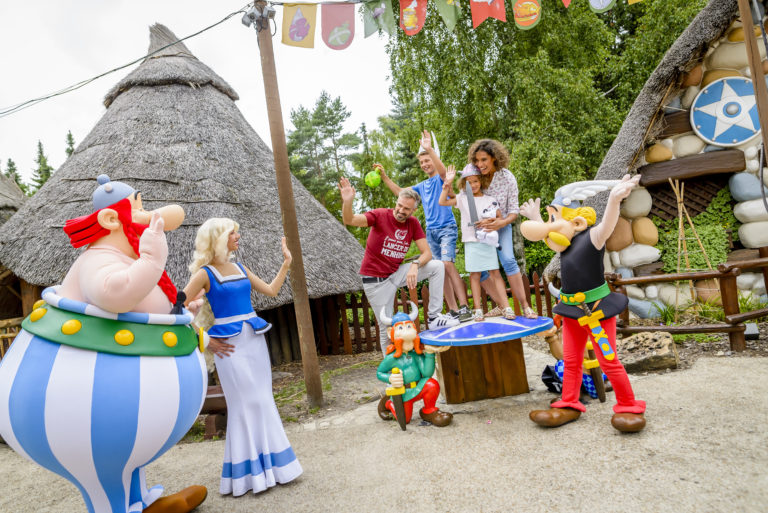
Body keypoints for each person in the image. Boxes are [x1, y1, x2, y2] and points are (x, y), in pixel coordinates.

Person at [0, 174, 208, 513]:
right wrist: (153, 261)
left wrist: (180, 307)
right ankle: (112, 507)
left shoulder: (127, 257)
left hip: (132, 390)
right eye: (137, 207)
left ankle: (139, 500)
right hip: (71, 395)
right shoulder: (98, 259)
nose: (144, 214)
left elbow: (149, 294)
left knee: (127, 457)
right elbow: (114, 295)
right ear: (111, 219)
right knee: (106, 461)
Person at [183, 218, 302, 496]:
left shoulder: (239, 267)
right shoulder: (204, 274)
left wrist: (286, 263)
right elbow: (177, 308)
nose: (238, 235)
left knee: (263, 400)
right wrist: (205, 340)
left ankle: (276, 469)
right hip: (230, 348)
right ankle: (249, 476)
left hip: (254, 341)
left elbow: (271, 290)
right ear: (219, 238)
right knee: (244, 404)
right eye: (233, 232)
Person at [520, 174, 646, 432]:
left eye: (554, 219)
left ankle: (628, 405)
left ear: (576, 222)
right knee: (571, 358)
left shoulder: (593, 238)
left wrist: (613, 199)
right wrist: (536, 219)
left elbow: (608, 223)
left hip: (596, 311)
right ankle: (569, 403)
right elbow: (548, 234)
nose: (549, 225)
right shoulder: (563, 247)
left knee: (608, 359)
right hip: (571, 311)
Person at [338, 176, 459, 355]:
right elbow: (349, 219)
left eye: (406, 209)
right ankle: (390, 368)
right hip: (376, 281)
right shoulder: (379, 215)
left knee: (437, 266)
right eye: (399, 206)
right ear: (396, 202)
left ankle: (434, 317)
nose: (401, 211)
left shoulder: (413, 223)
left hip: (395, 274)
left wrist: (415, 264)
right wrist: (347, 202)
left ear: (414, 210)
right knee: (386, 325)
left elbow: (427, 253)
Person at [377, 130, 472, 322]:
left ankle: (464, 307)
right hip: (431, 232)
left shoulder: (441, 179)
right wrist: (386, 178)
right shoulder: (422, 185)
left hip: (446, 228)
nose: (424, 164)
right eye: (422, 162)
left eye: (427, 160)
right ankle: (453, 309)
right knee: (439, 267)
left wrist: (429, 149)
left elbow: (444, 172)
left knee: (448, 264)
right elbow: (401, 193)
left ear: (434, 158)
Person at [468, 138, 537, 319]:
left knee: (508, 260)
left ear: (494, 158)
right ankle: (501, 305)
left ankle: (525, 306)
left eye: (484, 160)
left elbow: (513, 210)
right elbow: (465, 198)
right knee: (480, 269)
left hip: (502, 226)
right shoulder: (475, 178)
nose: (480, 164)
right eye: (477, 160)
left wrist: (502, 223)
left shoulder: (507, 177)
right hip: (481, 230)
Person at [439, 164, 515, 321]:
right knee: (474, 275)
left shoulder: (490, 200)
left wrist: (491, 221)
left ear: (481, 181)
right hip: (471, 242)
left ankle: (506, 307)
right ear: (464, 184)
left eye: (475, 181)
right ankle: (477, 309)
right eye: (469, 182)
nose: (472, 185)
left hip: (488, 241)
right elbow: (442, 202)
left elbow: (500, 219)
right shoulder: (462, 199)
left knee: (495, 273)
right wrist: (447, 183)